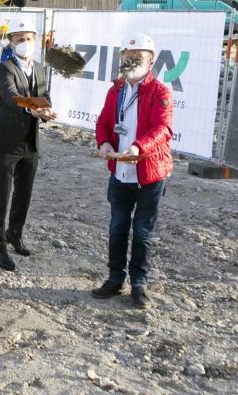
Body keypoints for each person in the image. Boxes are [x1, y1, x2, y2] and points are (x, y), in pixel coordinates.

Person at [91, 33, 174, 309]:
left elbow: (162, 129)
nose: (130, 61)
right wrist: (103, 142)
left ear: (151, 61)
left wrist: (139, 147)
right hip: (120, 173)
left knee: (142, 233)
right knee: (117, 228)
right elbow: (103, 121)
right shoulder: (115, 90)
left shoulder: (161, 92)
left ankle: (139, 284)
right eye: (126, 56)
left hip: (149, 174)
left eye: (137, 56)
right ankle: (116, 279)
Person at [0, 18, 57, 271]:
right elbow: (11, 97)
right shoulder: (3, 68)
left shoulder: (38, 68)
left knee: (24, 192)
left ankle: (14, 234)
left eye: (29, 38)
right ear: (11, 42)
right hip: (5, 141)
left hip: (30, 140)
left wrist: (46, 109)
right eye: (19, 39)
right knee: (1, 195)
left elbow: (44, 95)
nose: (25, 43)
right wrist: (37, 108)